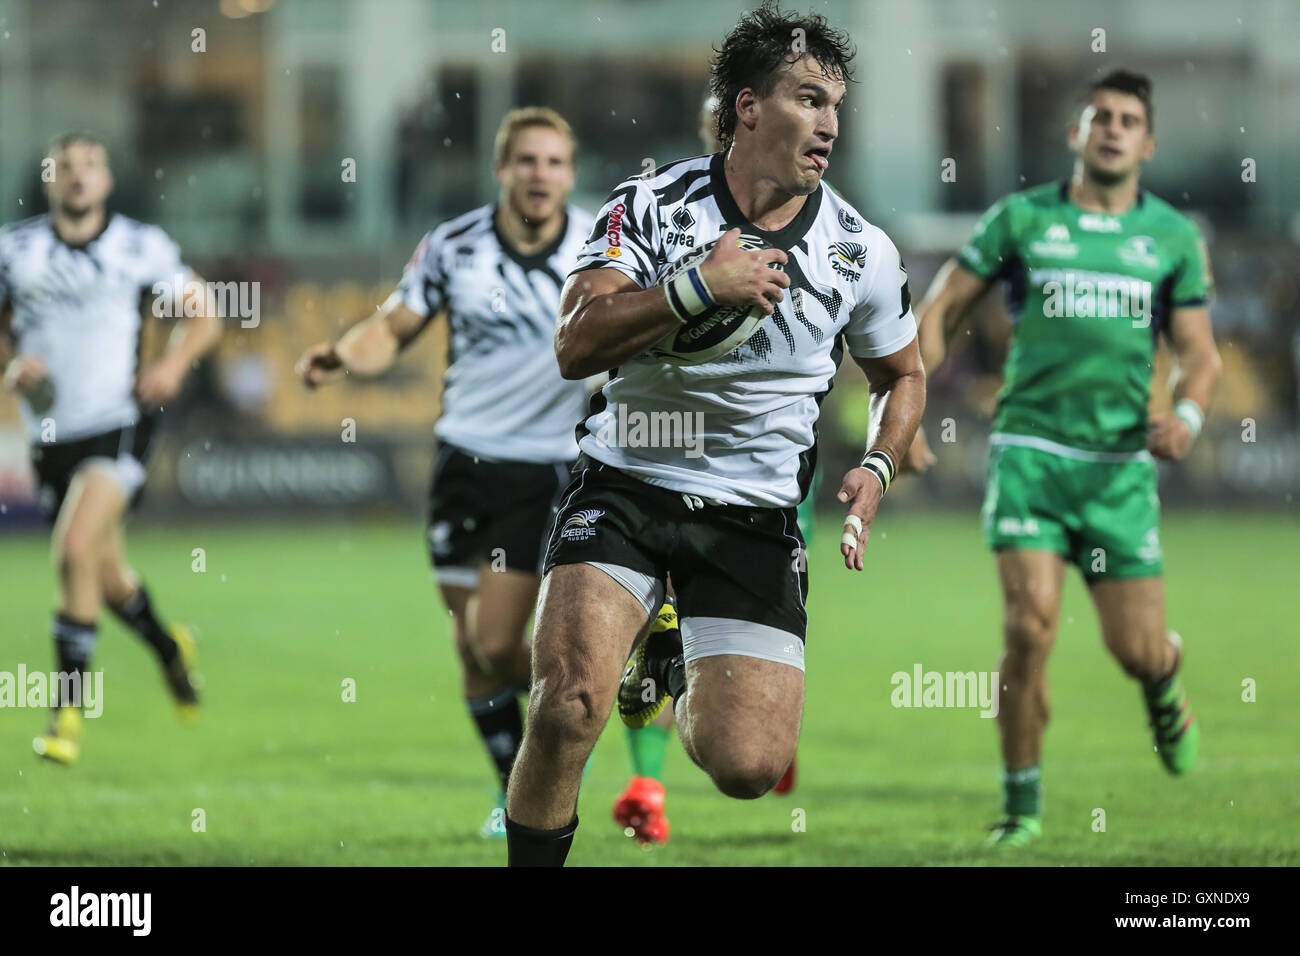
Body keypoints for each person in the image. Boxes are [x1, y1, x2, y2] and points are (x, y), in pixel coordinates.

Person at [504, 1, 925, 866]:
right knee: (566, 705)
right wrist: (698, 287)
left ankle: (668, 651)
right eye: (808, 99)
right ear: (746, 106)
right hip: (626, 482)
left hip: (754, 513)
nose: (829, 124)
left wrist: (880, 465)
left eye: (836, 105)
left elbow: (904, 376)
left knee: (750, 766)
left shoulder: (860, 250)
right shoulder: (651, 206)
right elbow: (575, 343)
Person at [904, 70, 1220, 846]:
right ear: (1076, 134)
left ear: (1147, 143)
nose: (1111, 129)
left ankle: (1164, 674)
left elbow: (1199, 354)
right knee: (1029, 629)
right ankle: (1022, 810)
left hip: (1117, 471)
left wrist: (1185, 414)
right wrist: (901, 409)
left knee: (1135, 650)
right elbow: (940, 307)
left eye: (1127, 120)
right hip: (1030, 457)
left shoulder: (1173, 239)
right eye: (1098, 116)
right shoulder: (1022, 219)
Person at [296, 108, 594, 837]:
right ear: (502, 169)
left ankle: (588, 687)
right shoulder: (454, 246)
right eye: (527, 161)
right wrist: (343, 353)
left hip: (545, 467)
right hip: (461, 461)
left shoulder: (595, 245)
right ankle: (513, 791)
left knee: (495, 643)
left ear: (570, 173)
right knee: (466, 643)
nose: (540, 175)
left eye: (554, 162)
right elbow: (393, 326)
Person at [1, 132, 217, 765]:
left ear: (106, 181)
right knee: (105, 573)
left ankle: (66, 714)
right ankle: (171, 649)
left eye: (89, 165)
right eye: (64, 167)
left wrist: (174, 366)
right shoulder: (16, 251)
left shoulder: (138, 246)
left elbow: (203, 314)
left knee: (71, 551)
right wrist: (14, 370)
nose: (77, 176)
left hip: (120, 421)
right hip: (49, 434)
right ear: (48, 180)